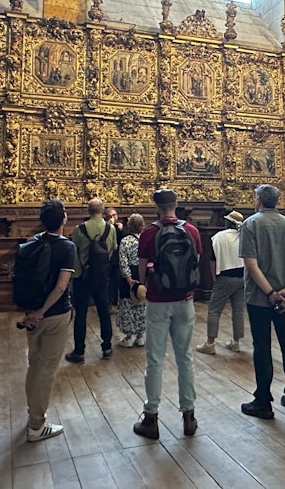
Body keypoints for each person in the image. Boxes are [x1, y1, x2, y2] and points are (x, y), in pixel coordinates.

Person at [132, 188, 201, 440]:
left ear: (156, 206)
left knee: (155, 359)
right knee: (185, 358)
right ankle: (189, 416)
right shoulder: (191, 231)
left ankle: (151, 417)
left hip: (158, 301)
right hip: (185, 300)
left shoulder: (150, 232)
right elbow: (196, 262)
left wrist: (147, 285)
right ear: (177, 204)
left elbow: (141, 271)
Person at [238, 184, 285, 418]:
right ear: (277, 201)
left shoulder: (251, 224)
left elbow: (251, 263)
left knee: (262, 347)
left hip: (259, 299)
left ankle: (263, 401)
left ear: (258, 200)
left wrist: (269, 293)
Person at [18, 199, 76, 442]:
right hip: (55, 314)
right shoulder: (67, 247)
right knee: (47, 369)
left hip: (32, 315)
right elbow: (61, 287)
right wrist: (42, 311)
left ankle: (32, 413)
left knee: (34, 363)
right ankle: (36, 425)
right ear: (63, 219)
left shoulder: (29, 244)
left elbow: (20, 282)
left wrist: (31, 313)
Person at [65, 197, 117, 363]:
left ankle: (79, 352)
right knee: (104, 311)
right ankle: (107, 347)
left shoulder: (80, 229)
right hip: (102, 276)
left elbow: (75, 250)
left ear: (88, 211)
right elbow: (112, 250)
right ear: (103, 211)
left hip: (82, 276)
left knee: (81, 314)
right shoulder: (111, 228)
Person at [196, 210, 246, 355]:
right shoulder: (242, 236)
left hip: (224, 276)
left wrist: (214, 278)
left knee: (214, 310)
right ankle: (236, 343)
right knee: (238, 310)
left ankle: (210, 343)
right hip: (241, 276)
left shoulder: (218, 237)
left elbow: (213, 260)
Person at [116, 213, 147, 347]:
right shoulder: (145, 240)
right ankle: (140, 336)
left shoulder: (125, 241)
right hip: (142, 274)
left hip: (129, 275)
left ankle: (128, 337)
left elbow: (123, 261)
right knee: (141, 303)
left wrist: (128, 277)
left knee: (127, 304)